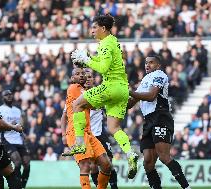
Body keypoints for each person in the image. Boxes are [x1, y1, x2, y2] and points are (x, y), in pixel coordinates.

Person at [66, 14, 138, 179]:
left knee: (77, 104)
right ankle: (130, 153)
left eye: (94, 28)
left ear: (103, 29)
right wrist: (88, 59)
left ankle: (79, 143)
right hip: (122, 89)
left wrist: (87, 60)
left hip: (110, 87)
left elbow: (104, 68)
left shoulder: (105, 43)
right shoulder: (114, 41)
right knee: (114, 128)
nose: (91, 31)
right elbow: (105, 62)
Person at [128, 55, 191, 189]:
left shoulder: (160, 75)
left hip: (160, 116)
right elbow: (130, 104)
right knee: (148, 162)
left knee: (164, 157)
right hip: (148, 120)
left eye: (151, 62)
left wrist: (130, 92)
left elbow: (151, 96)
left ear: (158, 65)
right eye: (146, 63)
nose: (147, 65)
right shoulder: (144, 80)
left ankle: (186, 187)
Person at [61, 68, 118, 189]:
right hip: (76, 133)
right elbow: (91, 103)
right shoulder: (73, 88)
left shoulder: (86, 90)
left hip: (89, 133)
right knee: (86, 166)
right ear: (72, 78)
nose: (81, 76)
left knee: (106, 165)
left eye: (83, 74)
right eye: (77, 74)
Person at [0, 90, 31, 189]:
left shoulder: (17, 110)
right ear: (2, 97)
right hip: (7, 140)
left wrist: (23, 133)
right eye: (6, 95)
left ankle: (21, 186)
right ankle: (16, 186)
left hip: (19, 140)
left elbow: (21, 126)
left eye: (10, 94)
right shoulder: (0, 110)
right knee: (17, 161)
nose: (9, 96)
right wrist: (11, 126)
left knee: (27, 164)